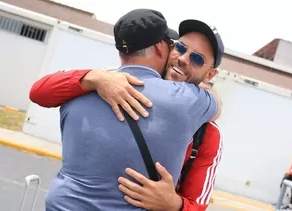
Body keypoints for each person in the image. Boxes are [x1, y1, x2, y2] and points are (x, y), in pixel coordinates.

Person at [30, 19, 224, 211]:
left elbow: (197, 203)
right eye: (180, 47)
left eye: (197, 59)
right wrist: (93, 77)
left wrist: (174, 204)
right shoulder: (108, 82)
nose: (183, 58)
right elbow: (40, 92)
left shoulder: (206, 134)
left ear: (209, 75)